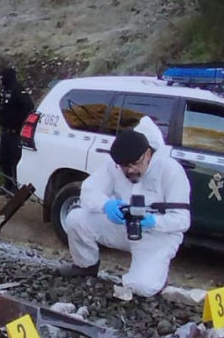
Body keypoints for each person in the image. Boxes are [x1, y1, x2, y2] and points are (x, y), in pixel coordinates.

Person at [55, 116, 191, 297]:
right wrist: (106, 205)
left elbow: (182, 221)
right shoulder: (116, 167)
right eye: (124, 166)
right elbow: (88, 190)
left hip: (157, 236)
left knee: (140, 287)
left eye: (134, 164)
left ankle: (156, 275)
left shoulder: (170, 170)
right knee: (75, 218)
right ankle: (86, 266)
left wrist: (152, 221)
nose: (129, 170)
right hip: (123, 227)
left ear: (148, 154)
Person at [0, 67, 34, 196]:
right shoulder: (5, 90)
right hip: (6, 130)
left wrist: (18, 122)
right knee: (3, 159)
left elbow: (28, 107)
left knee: (14, 160)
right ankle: (7, 185)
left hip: (15, 132)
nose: (1, 81)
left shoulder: (18, 90)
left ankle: (16, 187)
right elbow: (5, 108)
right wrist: (2, 119)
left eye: (3, 78)